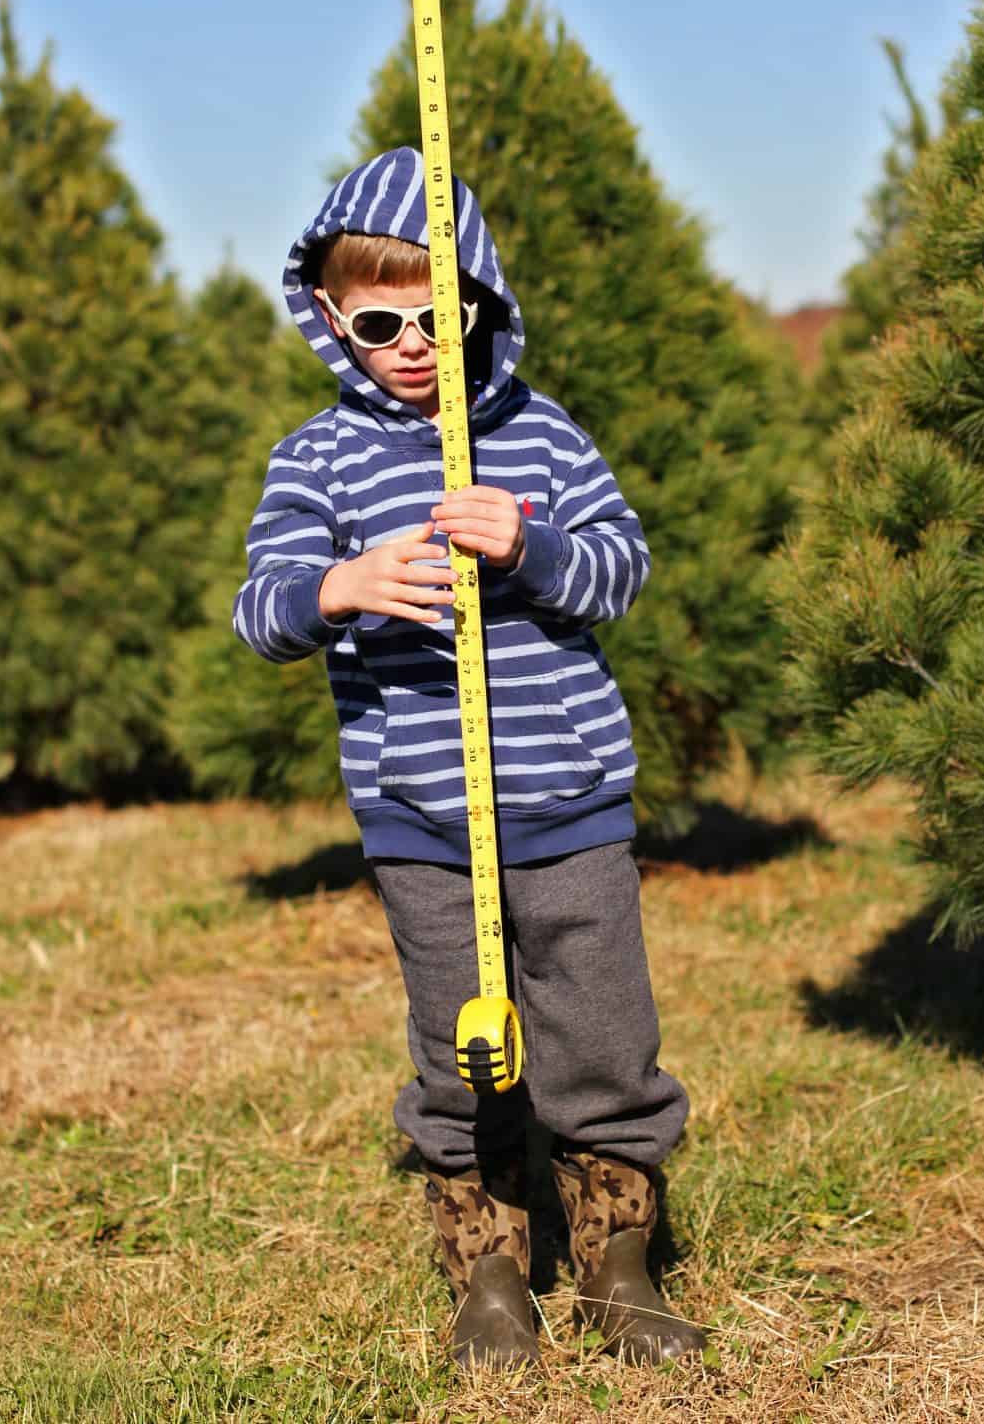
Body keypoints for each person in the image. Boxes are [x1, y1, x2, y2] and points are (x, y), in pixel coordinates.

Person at [233, 146, 705, 1369]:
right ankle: (489, 1276)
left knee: (602, 1040)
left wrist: (537, 549)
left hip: (571, 807)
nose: (412, 341)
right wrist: (341, 585)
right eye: (380, 317)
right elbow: (261, 606)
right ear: (333, 317)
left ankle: (616, 1261)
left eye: (440, 311)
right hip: (423, 823)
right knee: (460, 1054)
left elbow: (624, 566)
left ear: (482, 299)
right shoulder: (317, 458)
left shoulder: (540, 437)